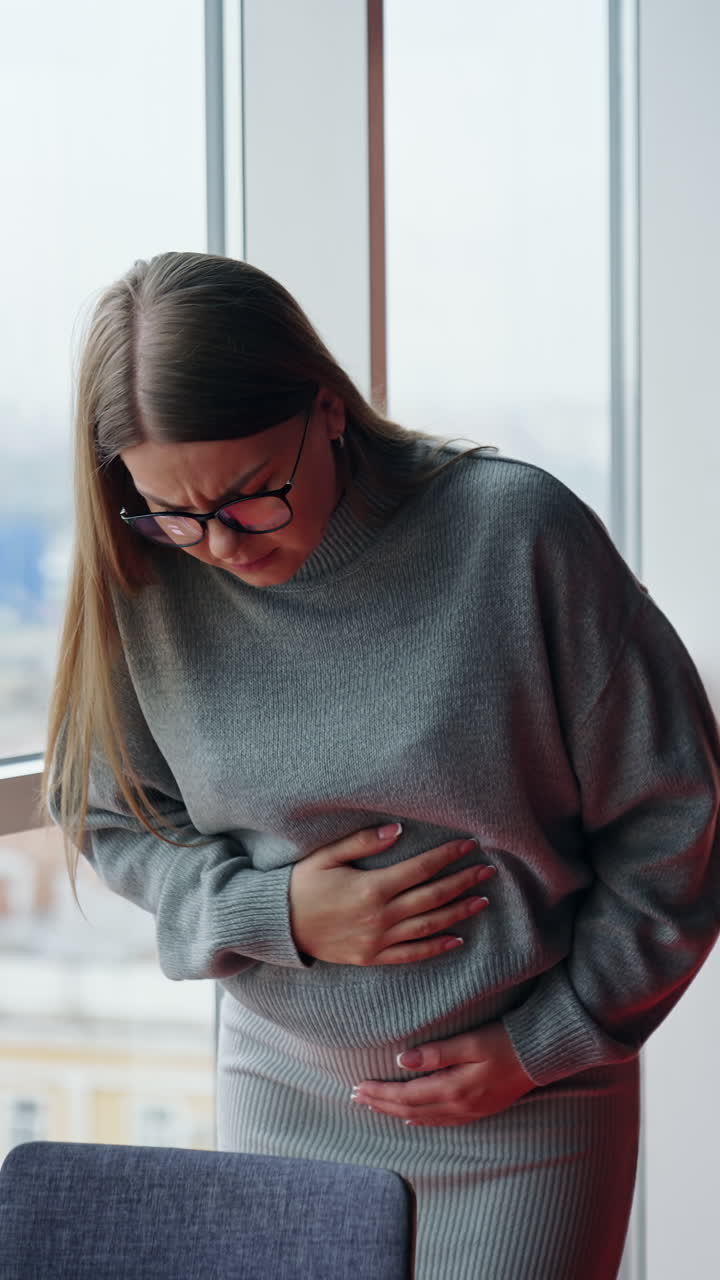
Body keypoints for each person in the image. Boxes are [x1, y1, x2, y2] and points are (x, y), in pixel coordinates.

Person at [44, 250, 720, 1280]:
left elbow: (677, 818)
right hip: (280, 1087)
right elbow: (107, 814)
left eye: (249, 495)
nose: (219, 545)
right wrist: (271, 912)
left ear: (326, 409)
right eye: (175, 512)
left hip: (525, 1106)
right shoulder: (145, 573)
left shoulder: (514, 535)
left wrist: (549, 1040)